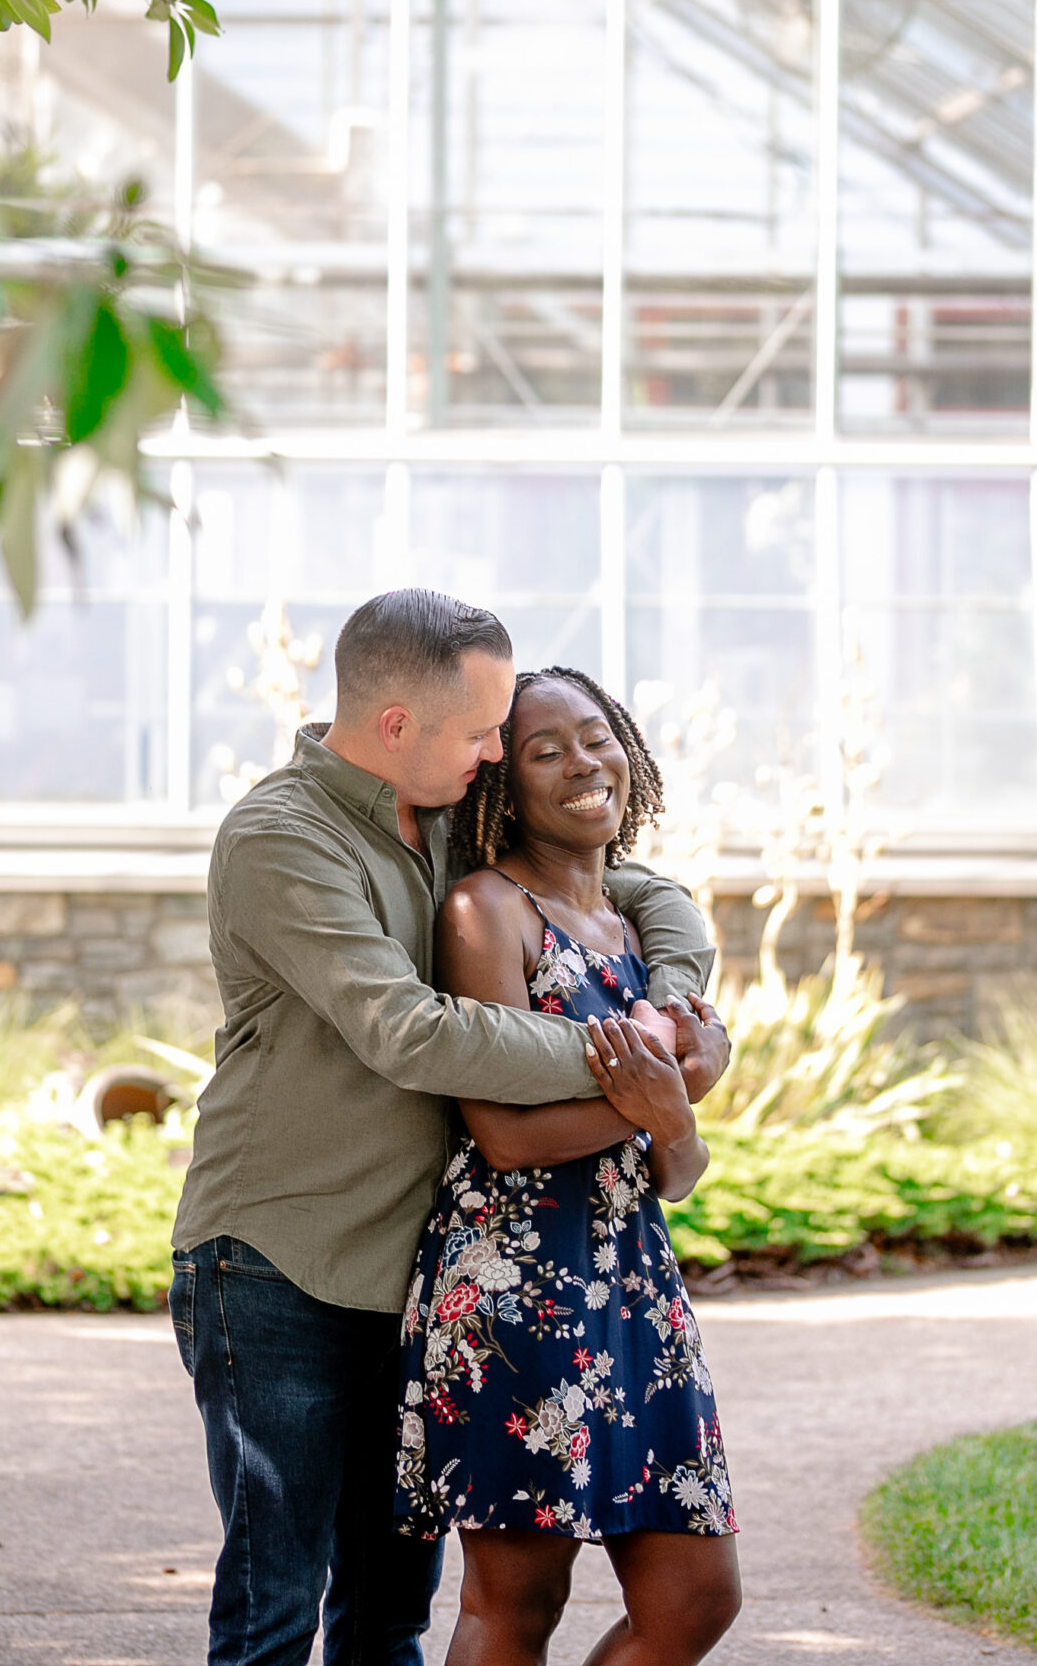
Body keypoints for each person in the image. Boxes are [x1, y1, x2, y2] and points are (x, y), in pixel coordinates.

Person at [169, 590, 729, 1666]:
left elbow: (635, 884)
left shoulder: (439, 818)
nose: (493, 751)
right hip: (281, 1260)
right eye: (483, 733)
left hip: (418, 1281)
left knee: (387, 1612)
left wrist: (676, 1001)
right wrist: (634, 1062)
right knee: (274, 1602)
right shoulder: (283, 837)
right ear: (396, 727)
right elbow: (410, 1031)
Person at [394, 665, 740, 1666]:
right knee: (518, 1601)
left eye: (598, 737)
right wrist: (650, 1105)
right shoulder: (485, 911)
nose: (586, 763)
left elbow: (677, 1167)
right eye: (547, 751)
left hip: (637, 1285)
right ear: (505, 784)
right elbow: (500, 1133)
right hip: (515, 1290)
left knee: (697, 1599)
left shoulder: (635, 933)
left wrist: (670, 1115)